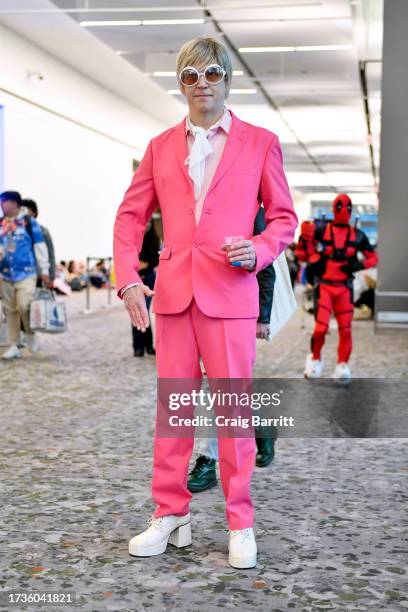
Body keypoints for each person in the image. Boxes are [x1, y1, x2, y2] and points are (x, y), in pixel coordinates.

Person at [113, 37, 297, 568]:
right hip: (172, 295)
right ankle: (171, 513)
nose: (202, 85)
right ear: (180, 83)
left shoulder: (260, 142)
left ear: (227, 79)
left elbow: (284, 218)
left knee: (233, 413)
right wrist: (128, 279)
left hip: (230, 294)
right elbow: (129, 217)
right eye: (190, 76)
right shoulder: (159, 146)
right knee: (173, 411)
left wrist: (259, 248)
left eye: (212, 74)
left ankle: (240, 520)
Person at [188, 206, 277, 494]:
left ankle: (207, 458)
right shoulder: (195, 203)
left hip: (234, 310)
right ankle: (260, 427)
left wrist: (263, 317)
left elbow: (267, 267)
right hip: (196, 305)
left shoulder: (250, 206)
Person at [296, 194, 378, 382]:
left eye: (348, 207)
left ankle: (342, 364)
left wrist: (358, 265)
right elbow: (303, 254)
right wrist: (306, 240)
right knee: (319, 330)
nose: (344, 211)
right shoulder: (321, 230)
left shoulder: (357, 235)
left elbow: (373, 257)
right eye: (340, 206)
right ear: (334, 208)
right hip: (324, 287)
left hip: (344, 288)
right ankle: (315, 359)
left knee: (346, 329)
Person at [0, 191, 50, 359]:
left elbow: (40, 246)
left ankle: (30, 333)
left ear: (15, 204)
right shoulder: (1, 224)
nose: (1, 205)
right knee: (10, 310)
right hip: (5, 274)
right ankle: (14, 344)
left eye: (4, 201)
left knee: (24, 305)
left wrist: (44, 270)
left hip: (27, 273)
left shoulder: (28, 222)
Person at [132, 221, 160, 357]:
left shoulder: (154, 239)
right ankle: (138, 347)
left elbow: (156, 259)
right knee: (136, 311)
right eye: (146, 221)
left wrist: (145, 264)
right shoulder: (135, 236)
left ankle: (148, 346)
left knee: (144, 311)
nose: (147, 224)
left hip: (148, 278)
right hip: (136, 279)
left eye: (150, 222)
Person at [23, 199, 56, 286]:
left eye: (27, 210)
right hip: (19, 275)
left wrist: (51, 277)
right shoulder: (15, 230)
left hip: (38, 275)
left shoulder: (43, 231)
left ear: (34, 213)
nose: (24, 213)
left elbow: (50, 254)